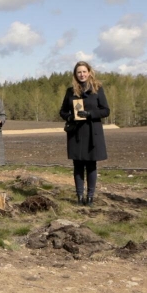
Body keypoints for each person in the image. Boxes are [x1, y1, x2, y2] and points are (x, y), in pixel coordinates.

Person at [59, 61, 110, 207]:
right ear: (75, 74)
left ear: (89, 72)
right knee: (78, 165)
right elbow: (62, 111)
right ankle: (79, 197)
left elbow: (106, 110)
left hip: (92, 131)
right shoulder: (70, 91)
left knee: (91, 165)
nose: (81, 74)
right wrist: (69, 117)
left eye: (84, 71)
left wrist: (90, 114)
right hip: (76, 132)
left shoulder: (97, 89)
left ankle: (90, 198)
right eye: (79, 72)